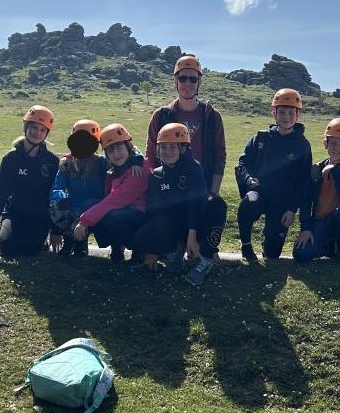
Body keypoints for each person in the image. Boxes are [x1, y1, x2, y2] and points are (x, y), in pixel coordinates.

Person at [145, 54, 228, 256]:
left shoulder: (211, 115)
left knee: (215, 206)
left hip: (202, 184)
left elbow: (220, 155)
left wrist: (213, 191)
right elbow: (151, 154)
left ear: (199, 82)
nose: (187, 83)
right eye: (183, 78)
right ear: (175, 81)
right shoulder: (162, 115)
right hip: (170, 186)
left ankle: (207, 250)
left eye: (193, 78)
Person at [131, 123, 223, 285]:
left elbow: (195, 204)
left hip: (196, 223)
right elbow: (154, 212)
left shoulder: (193, 168)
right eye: (163, 147)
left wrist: (192, 237)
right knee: (139, 238)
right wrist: (153, 249)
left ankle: (206, 257)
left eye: (173, 147)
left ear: (183, 148)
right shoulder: (156, 176)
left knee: (216, 204)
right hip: (175, 225)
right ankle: (173, 251)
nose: (167, 152)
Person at [234, 88, 312, 261]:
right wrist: (248, 179)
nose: (286, 117)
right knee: (249, 202)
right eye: (282, 112)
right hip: (260, 193)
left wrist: (292, 210)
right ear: (274, 113)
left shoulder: (302, 145)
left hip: (282, 203)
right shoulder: (261, 138)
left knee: (272, 254)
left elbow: (302, 181)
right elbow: (243, 163)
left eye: (291, 113)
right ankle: (246, 246)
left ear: (298, 115)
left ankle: (268, 244)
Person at [0, 105, 58, 258]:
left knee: (29, 251)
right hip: (14, 213)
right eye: (34, 128)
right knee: (8, 252)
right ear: (26, 127)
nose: (37, 133)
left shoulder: (52, 161)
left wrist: (56, 230)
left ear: (46, 133)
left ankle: (40, 241)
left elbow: (55, 197)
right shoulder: (10, 158)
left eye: (42, 130)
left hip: (39, 216)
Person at [75, 123, 151, 264]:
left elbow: (115, 200)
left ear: (127, 147)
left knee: (111, 215)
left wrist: (84, 221)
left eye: (119, 148)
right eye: (110, 150)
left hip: (142, 217)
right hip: (128, 213)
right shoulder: (116, 170)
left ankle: (140, 250)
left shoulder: (138, 171)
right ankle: (116, 247)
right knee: (92, 205)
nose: (116, 154)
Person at [294, 118, 340, 263]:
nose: (337, 148)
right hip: (320, 221)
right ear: (326, 143)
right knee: (300, 254)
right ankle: (329, 246)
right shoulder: (316, 169)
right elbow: (306, 201)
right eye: (333, 143)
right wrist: (305, 228)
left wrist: (336, 172)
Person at [49, 119, 107, 257]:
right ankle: (69, 241)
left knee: (89, 205)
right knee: (56, 206)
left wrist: (137, 160)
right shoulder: (67, 165)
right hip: (73, 207)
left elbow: (129, 153)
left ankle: (81, 242)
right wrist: (60, 198)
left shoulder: (102, 162)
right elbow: (57, 187)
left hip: (94, 209)